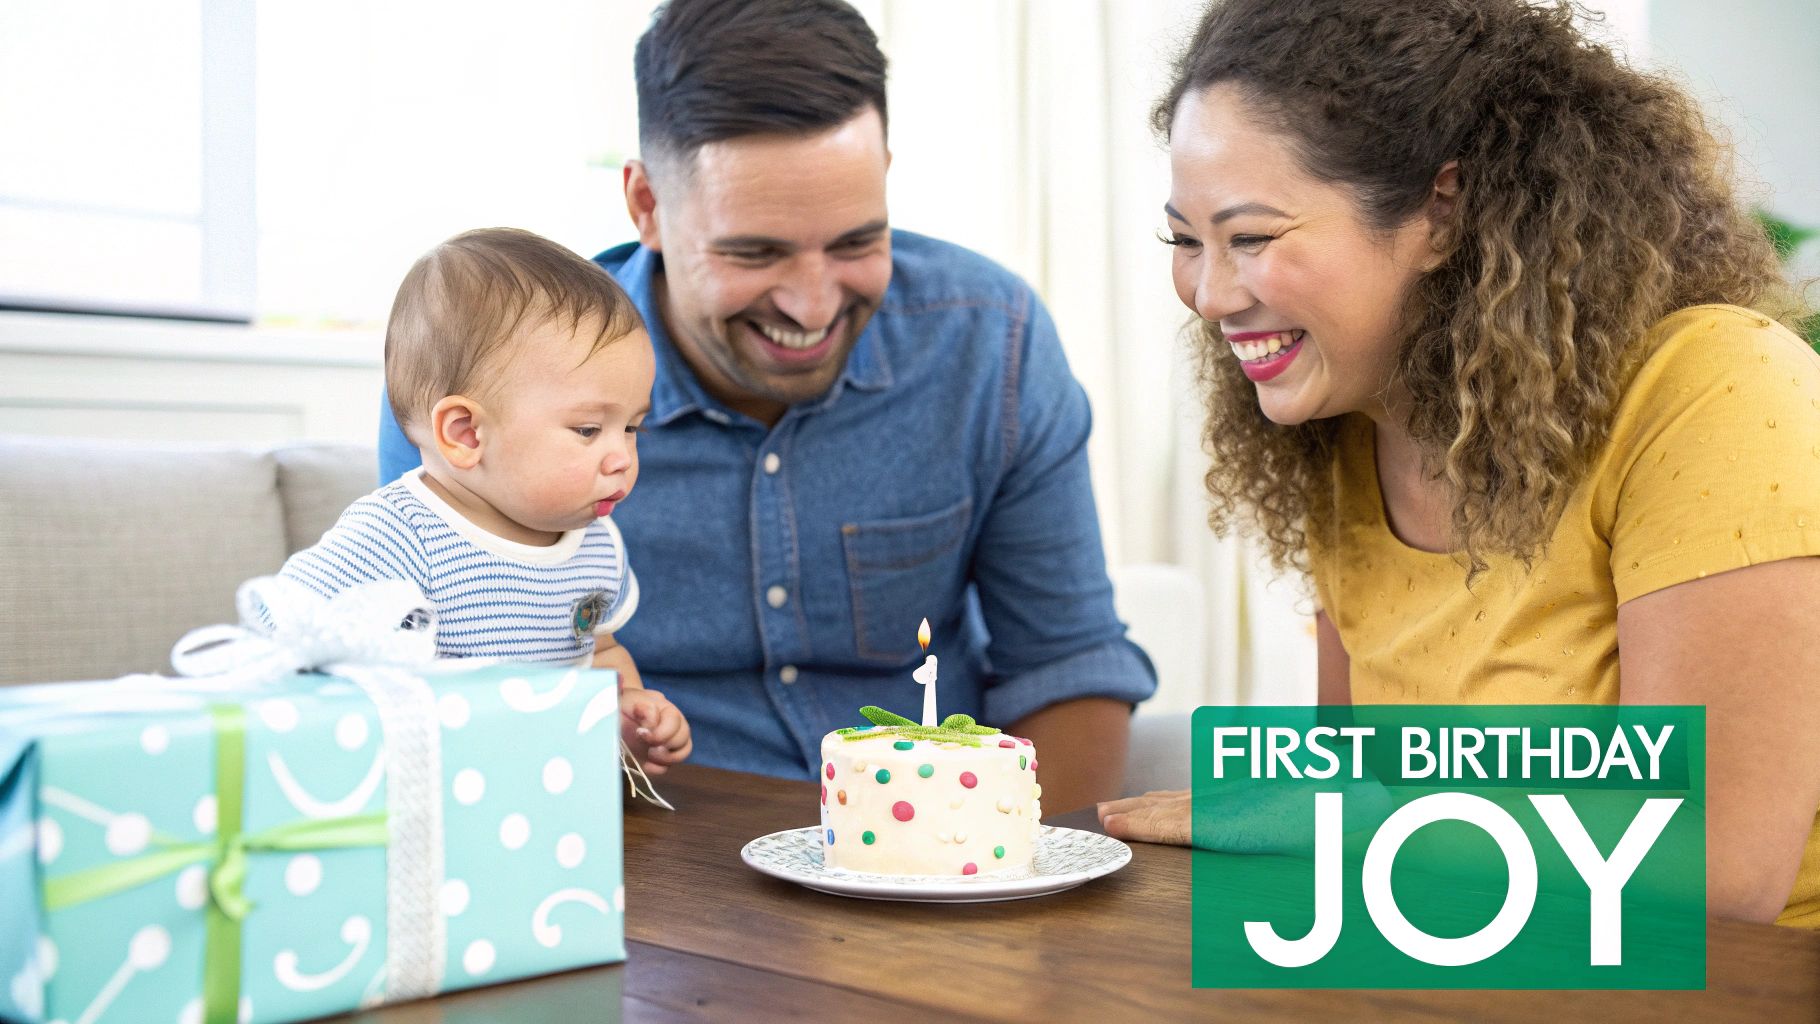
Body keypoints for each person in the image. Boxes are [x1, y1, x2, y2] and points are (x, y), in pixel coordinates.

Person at [1098, 0, 1820, 927]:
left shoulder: (1716, 391)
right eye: (1185, 242)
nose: (1208, 293)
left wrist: (1353, 821)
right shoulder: (1343, 440)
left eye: (1250, 238)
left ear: (1442, 212)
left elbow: (1714, 870)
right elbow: (1346, 820)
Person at [376, 0, 1156, 814]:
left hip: (931, 865)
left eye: (856, 242)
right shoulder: (486, 383)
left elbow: (1067, 667)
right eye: (755, 252)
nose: (814, 305)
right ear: (645, 205)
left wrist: (1020, 880)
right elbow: (438, 704)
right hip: (639, 867)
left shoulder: (991, 344)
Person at [286, 227, 692, 774]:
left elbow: (600, 653)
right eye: (590, 429)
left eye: (633, 429)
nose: (622, 457)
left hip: (547, 798)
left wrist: (627, 720)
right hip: (428, 796)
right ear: (467, 434)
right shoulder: (398, 536)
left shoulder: (595, 544)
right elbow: (289, 631)